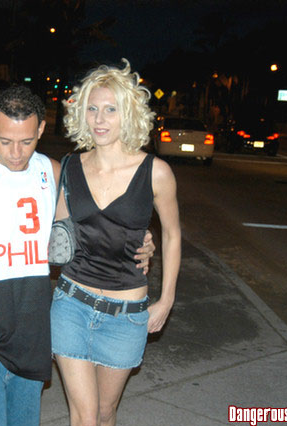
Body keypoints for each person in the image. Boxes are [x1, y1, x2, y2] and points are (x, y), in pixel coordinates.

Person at [0, 85, 155, 426]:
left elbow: (101, 223)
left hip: (32, 335)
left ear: (41, 130)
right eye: (5, 141)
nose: (16, 153)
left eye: (26, 141)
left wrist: (143, 241)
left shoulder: (53, 173)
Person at [50, 59, 181, 426]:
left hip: (126, 314)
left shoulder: (156, 172)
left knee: (106, 413)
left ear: (129, 114)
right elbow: (59, 236)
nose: (99, 119)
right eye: (92, 109)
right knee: (86, 416)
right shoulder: (70, 167)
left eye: (110, 109)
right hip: (72, 303)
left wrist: (166, 299)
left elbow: (172, 235)